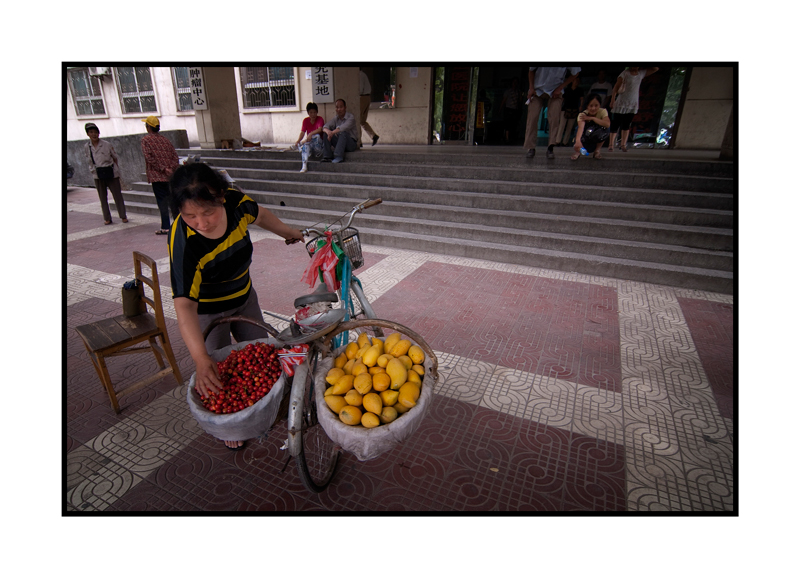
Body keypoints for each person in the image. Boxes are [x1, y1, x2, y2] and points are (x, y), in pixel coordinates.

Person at [167, 162, 304, 450]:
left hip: (243, 297)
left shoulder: (237, 203)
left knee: (263, 357)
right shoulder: (184, 241)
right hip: (207, 311)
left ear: (221, 196)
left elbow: (262, 215)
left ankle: (264, 405)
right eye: (190, 215)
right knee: (218, 369)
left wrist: (287, 231)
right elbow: (184, 307)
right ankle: (232, 423)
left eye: (208, 212)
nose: (201, 223)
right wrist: (200, 358)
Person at [523, 66, 581, 159]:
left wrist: (561, 87)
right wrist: (531, 88)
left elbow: (576, 73)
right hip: (537, 89)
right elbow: (531, 70)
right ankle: (531, 147)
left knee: (554, 118)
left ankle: (551, 147)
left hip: (556, 90)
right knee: (532, 117)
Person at [83, 122, 128, 226]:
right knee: (103, 197)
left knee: (117, 195)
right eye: (91, 132)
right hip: (98, 174)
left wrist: (116, 170)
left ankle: (123, 215)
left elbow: (115, 157)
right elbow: (89, 160)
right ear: (88, 134)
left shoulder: (107, 145)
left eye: (95, 132)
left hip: (110, 172)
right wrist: (92, 170)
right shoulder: (87, 147)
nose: (94, 134)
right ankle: (107, 218)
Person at [140, 115, 179, 235]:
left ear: (148, 127)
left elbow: (149, 157)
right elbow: (175, 157)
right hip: (170, 177)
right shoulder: (165, 140)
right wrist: (171, 169)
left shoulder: (146, 140)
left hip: (157, 177)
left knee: (162, 202)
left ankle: (166, 227)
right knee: (173, 202)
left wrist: (163, 169)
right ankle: (179, 224)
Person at [608, 66, 660, 152]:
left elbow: (655, 69)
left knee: (626, 124)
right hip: (622, 102)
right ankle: (611, 144)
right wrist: (613, 99)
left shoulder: (641, 73)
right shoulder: (625, 73)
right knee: (616, 124)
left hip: (632, 103)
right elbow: (616, 88)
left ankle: (623, 144)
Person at [572, 94, 611, 161]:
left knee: (606, 129)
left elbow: (607, 124)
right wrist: (578, 141)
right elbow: (580, 128)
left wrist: (592, 118)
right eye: (591, 106)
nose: (593, 108)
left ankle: (597, 151)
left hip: (596, 136)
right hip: (586, 137)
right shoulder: (582, 114)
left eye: (596, 105)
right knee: (577, 129)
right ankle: (578, 152)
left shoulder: (602, 111)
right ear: (587, 106)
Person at [322, 99, 359, 163]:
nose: (339, 109)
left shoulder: (351, 117)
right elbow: (325, 126)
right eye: (337, 107)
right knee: (326, 134)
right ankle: (327, 156)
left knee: (342, 133)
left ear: (345, 108)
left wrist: (332, 132)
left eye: (341, 107)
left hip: (351, 144)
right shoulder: (336, 118)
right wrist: (328, 132)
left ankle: (338, 156)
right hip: (340, 142)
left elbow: (342, 128)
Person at [293, 102, 325, 173]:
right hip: (310, 144)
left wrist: (310, 134)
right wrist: (298, 140)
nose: (313, 114)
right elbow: (302, 132)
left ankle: (302, 143)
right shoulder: (305, 120)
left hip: (318, 146)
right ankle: (304, 166)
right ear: (308, 113)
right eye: (311, 112)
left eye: (314, 112)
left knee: (316, 136)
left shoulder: (320, 119)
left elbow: (320, 129)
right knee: (306, 145)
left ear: (317, 112)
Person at [557, 75, 584, 146]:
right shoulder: (567, 90)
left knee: (569, 127)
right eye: (576, 80)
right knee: (561, 125)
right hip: (565, 109)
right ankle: (557, 141)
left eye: (578, 81)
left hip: (574, 109)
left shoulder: (579, 90)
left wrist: (580, 106)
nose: (577, 82)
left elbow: (581, 99)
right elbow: (562, 99)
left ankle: (565, 142)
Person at [359, 69, 379, 147]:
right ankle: (373, 135)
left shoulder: (359, 75)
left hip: (362, 98)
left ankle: (359, 141)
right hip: (367, 97)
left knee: (357, 121)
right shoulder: (363, 74)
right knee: (362, 121)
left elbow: (360, 89)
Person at [500, 77, 523, 144]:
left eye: (516, 82)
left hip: (515, 109)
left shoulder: (518, 92)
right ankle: (506, 137)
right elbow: (504, 100)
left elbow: (520, 101)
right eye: (514, 82)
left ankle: (512, 137)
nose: (515, 84)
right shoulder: (508, 91)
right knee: (507, 124)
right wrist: (500, 109)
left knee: (514, 124)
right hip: (508, 109)